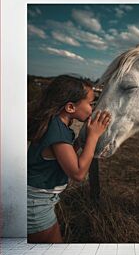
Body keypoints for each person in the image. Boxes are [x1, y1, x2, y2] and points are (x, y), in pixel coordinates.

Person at [27, 74, 111, 243]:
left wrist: (80, 142)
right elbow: (78, 173)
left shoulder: (56, 124)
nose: (92, 109)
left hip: (40, 199)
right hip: (35, 203)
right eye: (90, 103)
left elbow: (62, 158)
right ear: (71, 107)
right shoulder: (57, 131)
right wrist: (93, 136)